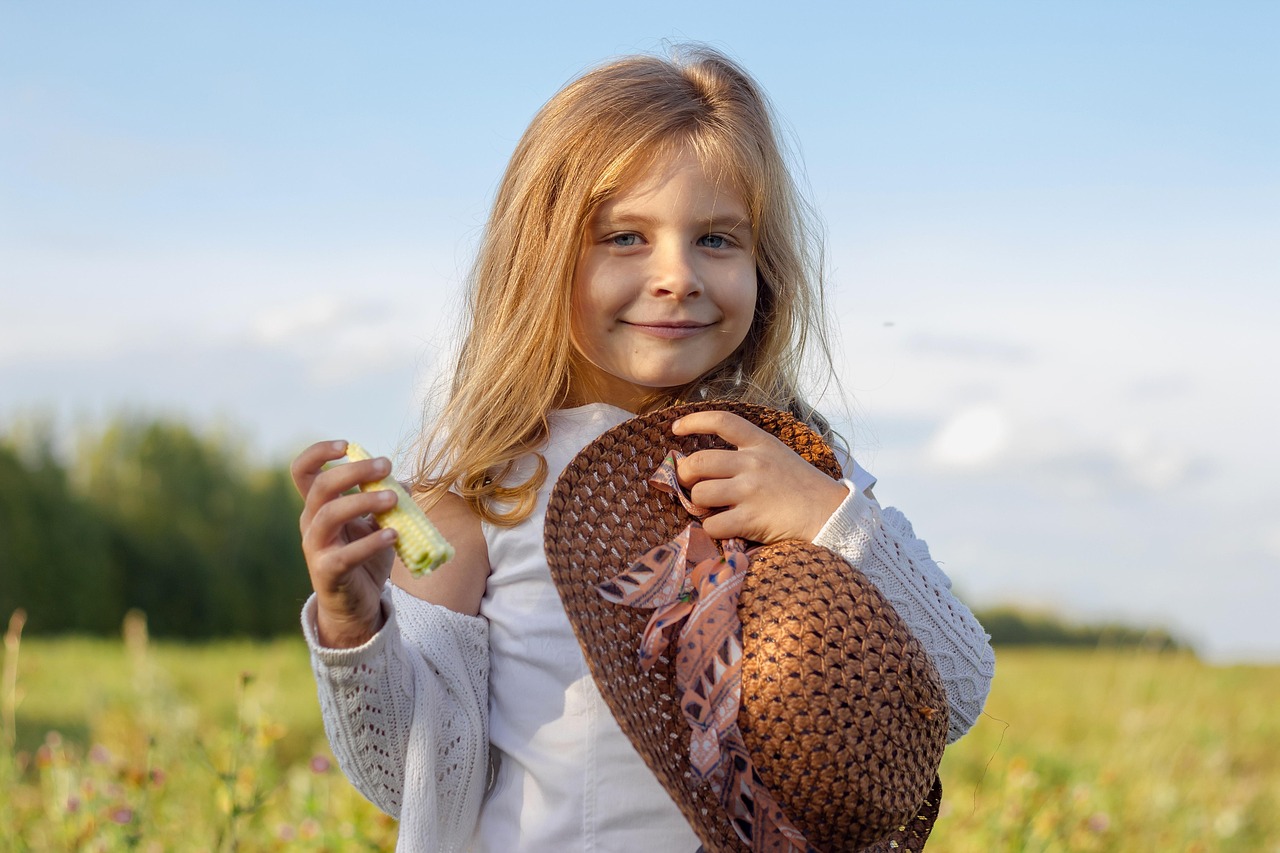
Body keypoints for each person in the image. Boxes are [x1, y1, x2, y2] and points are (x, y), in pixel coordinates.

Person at [290, 45, 995, 852]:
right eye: (625, 237)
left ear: (763, 264)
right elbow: (412, 772)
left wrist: (825, 517)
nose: (677, 275)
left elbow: (957, 687)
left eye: (718, 240)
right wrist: (354, 624)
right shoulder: (487, 492)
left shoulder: (794, 466)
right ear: (542, 257)